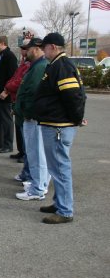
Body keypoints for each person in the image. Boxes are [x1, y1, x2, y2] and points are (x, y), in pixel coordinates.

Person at [34, 32, 86, 224]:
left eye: (44, 47)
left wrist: (76, 118)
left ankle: (65, 211)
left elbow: (73, 96)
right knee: (56, 168)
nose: (42, 50)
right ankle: (59, 203)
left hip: (58, 126)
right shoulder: (57, 64)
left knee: (60, 168)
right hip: (55, 124)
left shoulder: (61, 66)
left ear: (53, 47)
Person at [13, 38, 50, 201]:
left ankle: (38, 188)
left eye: (27, 49)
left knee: (37, 154)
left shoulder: (40, 67)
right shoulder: (36, 66)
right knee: (37, 154)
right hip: (31, 117)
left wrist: (26, 112)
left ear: (35, 49)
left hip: (33, 118)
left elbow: (33, 93)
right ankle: (39, 184)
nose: (25, 52)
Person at [0, 40, 31, 162]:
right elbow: (15, 77)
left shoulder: (30, 64)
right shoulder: (23, 62)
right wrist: (8, 86)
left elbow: (20, 81)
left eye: (25, 48)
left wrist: (7, 88)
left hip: (23, 100)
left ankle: (25, 154)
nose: (22, 50)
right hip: (16, 99)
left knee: (24, 129)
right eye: (22, 48)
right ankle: (21, 151)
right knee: (19, 127)